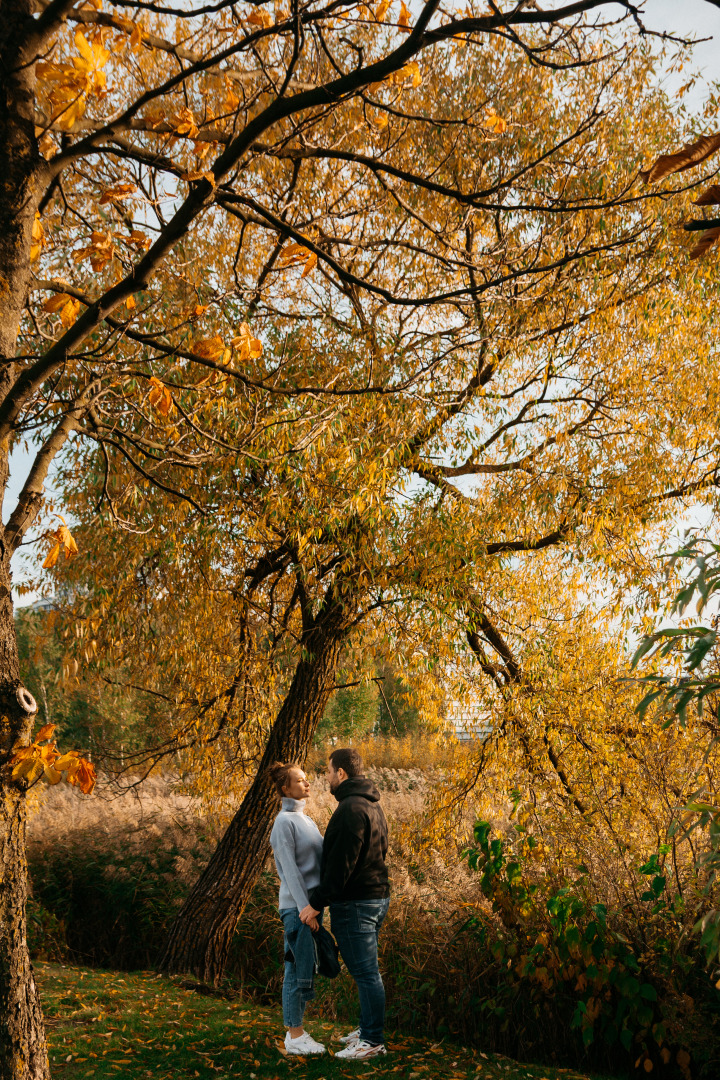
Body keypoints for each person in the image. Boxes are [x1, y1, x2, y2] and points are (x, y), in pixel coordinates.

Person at [299, 747, 390, 1061]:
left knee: (366, 973)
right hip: (373, 897)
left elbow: (341, 866)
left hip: (357, 902)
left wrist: (316, 903)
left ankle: (372, 1041)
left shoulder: (351, 809)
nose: (326, 777)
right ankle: (367, 1028)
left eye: (328, 771)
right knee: (367, 970)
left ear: (340, 772)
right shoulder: (370, 805)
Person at [268, 761, 326, 1056]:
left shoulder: (307, 820)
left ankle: (297, 1032)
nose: (307, 784)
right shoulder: (283, 822)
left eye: (307, 780)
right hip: (297, 908)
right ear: (285, 788)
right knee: (295, 970)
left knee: (303, 967)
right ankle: (295, 1035)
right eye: (301, 781)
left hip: (310, 908)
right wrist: (306, 908)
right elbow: (289, 871)